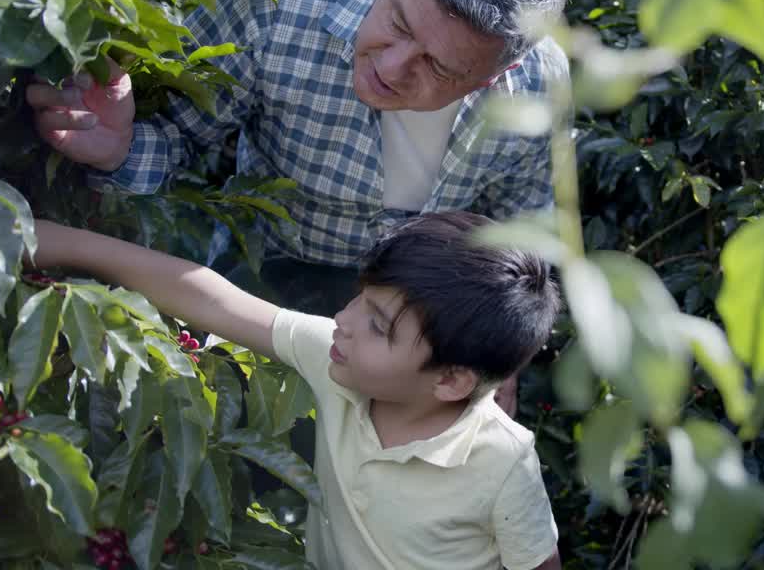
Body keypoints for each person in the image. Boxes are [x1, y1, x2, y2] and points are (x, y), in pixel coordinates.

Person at [27, 0, 569, 414]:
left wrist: (498, 356)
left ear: (497, 74)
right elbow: (177, 136)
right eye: (398, 23)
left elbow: (522, 229)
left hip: (422, 328)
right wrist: (119, 148)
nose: (394, 66)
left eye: (439, 68)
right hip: (262, 277)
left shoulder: (542, 82)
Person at [29, 211, 563, 570]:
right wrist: (67, 243)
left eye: (379, 325)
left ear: (450, 380)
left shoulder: (502, 463)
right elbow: (214, 301)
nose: (344, 320)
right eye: (360, 299)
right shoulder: (341, 360)